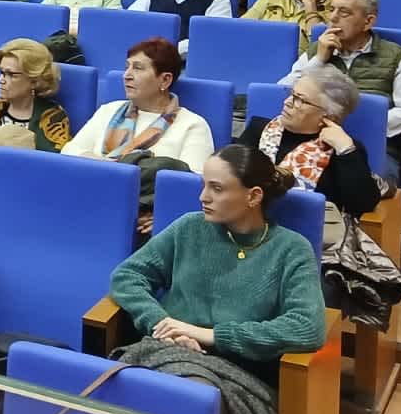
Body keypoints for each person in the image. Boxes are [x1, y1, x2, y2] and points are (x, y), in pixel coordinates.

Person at [109, 143, 327, 386]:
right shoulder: (190, 226)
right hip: (163, 351)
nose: (203, 197)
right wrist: (161, 324)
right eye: (204, 185)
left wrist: (210, 335)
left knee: (186, 391)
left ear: (253, 196)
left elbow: (307, 326)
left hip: (237, 372)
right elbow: (127, 276)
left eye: (217, 188)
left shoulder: (291, 248)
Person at [281, 0, 401, 175]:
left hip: (374, 148)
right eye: (331, 10)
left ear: (368, 22)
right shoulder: (317, 51)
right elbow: (283, 92)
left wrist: (365, 124)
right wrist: (319, 60)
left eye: (344, 13)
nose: (333, 18)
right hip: (313, 142)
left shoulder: (397, 58)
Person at [238, 66, 380, 219]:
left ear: (330, 116)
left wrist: (346, 150)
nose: (287, 102)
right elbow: (227, 173)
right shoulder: (258, 130)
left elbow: (363, 204)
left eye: (300, 100)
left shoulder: (343, 150)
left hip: (310, 235)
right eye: (291, 94)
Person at [64, 37, 216, 173]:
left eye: (137, 68)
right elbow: (69, 151)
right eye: (127, 67)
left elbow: (191, 184)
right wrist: (106, 165)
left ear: (165, 80)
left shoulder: (193, 125)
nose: (127, 76)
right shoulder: (109, 110)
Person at [0, 38, 72, 152]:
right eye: (1, 72)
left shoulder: (53, 117)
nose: (1, 80)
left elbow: (52, 161)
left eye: (11, 75)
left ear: (34, 81)